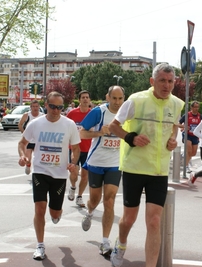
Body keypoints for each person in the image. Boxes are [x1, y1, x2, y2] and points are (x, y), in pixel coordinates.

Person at [108, 63, 184, 267]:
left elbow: (174, 127)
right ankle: (121, 243)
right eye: (162, 80)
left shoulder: (177, 104)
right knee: (129, 219)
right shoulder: (136, 100)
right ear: (152, 81)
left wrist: (173, 140)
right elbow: (114, 127)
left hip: (159, 170)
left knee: (154, 221)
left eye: (170, 81)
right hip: (134, 167)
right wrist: (131, 137)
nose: (166, 85)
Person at [17, 91, 81, 261]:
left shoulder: (69, 124)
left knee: (54, 213)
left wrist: (73, 163)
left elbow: (76, 148)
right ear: (46, 105)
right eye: (52, 106)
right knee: (39, 208)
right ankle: (40, 245)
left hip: (59, 175)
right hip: (40, 171)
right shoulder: (36, 124)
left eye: (60, 107)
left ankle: (57, 213)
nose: (56, 110)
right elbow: (22, 143)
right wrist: (23, 156)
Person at [80, 85, 125, 257]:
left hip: (115, 163)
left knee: (110, 200)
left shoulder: (126, 114)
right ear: (108, 97)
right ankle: (90, 212)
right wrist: (100, 132)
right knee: (95, 199)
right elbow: (82, 133)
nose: (117, 102)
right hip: (96, 162)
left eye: (120, 98)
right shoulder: (99, 112)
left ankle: (105, 241)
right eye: (114, 98)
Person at [66, 90, 92, 207]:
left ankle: (80, 196)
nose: (85, 99)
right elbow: (65, 127)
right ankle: (72, 187)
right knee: (74, 173)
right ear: (79, 100)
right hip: (74, 148)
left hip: (88, 149)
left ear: (89, 100)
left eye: (87, 97)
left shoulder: (93, 114)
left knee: (85, 175)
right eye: (83, 97)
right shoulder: (72, 113)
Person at [18, 100, 43, 175]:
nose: (35, 108)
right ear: (31, 107)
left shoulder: (42, 116)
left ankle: (37, 171)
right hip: (29, 141)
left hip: (38, 141)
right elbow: (20, 124)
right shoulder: (27, 115)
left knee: (38, 158)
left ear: (39, 107)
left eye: (36, 106)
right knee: (28, 157)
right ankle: (28, 166)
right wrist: (24, 133)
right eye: (33, 106)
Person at [179, 101, 202, 173]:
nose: (196, 108)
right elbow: (179, 123)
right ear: (191, 107)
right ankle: (186, 167)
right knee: (189, 151)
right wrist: (183, 127)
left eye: (197, 107)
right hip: (187, 134)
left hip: (195, 136)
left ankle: (184, 156)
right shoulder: (187, 115)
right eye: (195, 107)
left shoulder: (200, 116)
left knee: (193, 153)